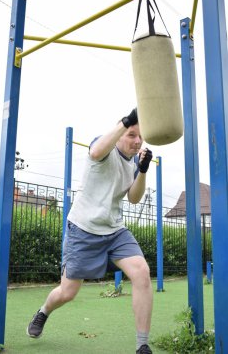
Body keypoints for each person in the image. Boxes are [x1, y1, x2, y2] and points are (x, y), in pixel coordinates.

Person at [27, 108, 153, 354]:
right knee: (68, 292)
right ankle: (44, 311)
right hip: (84, 229)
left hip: (115, 231)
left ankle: (142, 345)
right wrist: (124, 121)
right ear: (119, 134)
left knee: (142, 272)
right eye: (131, 134)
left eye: (140, 136)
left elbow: (135, 198)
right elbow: (95, 151)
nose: (137, 141)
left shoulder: (134, 162)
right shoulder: (104, 148)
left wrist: (144, 170)